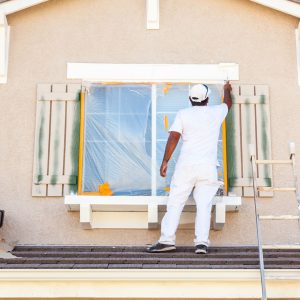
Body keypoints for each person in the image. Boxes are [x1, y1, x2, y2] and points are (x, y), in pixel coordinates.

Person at [147, 82, 232, 254]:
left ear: (190, 99)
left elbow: (174, 137)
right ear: (207, 99)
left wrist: (165, 161)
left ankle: (166, 240)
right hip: (208, 167)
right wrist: (226, 90)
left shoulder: (183, 114)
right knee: (204, 205)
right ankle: (201, 243)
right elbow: (228, 104)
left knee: (176, 202)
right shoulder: (216, 112)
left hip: (186, 166)